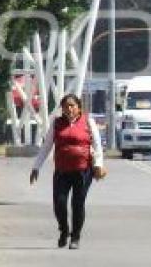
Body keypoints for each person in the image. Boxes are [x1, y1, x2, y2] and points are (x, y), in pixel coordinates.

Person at [30, 94, 106, 249]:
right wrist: (36, 167)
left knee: (78, 204)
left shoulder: (88, 122)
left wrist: (98, 164)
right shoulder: (57, 123)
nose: (69, 109)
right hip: (62, 171)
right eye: (66, 106)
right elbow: (46, 147)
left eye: (72, 105)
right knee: (59, 203)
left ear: (79, 107)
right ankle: (64, 230)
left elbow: (97, 145)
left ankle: (75, 237)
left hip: (83, 171)